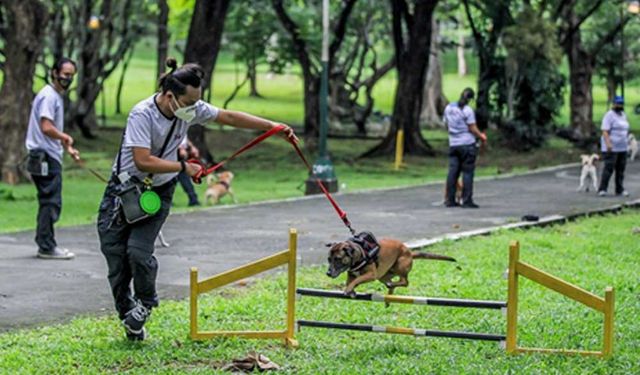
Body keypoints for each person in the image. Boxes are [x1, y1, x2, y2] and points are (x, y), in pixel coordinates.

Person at [96, 58, 296, 341]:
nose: (195, 108)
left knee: (138, 252)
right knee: (115, 257)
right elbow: (141, 160)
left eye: (197, 102)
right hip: (124, 191)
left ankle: (145, 303)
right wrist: (182, 167)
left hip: (158, 192)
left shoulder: (190, 107)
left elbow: (228, 117)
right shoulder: (142, 114)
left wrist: (272, 126)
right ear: (170, 97)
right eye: (189, 102)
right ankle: (130, 314)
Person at [25, 57, 80, 260]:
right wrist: (65, 137)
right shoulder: (49, 96)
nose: (68, 78)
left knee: (49, 201)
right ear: (55, 72)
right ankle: (46, 246)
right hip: (44, 156)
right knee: (51, 201)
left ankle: (46, 243)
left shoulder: (54, 95)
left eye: (71, 75)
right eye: (65, 74)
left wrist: (67, 147)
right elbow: (46, 127)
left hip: (48, 153)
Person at [443, 87, 487, 208]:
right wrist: (481, 136)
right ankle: (466, 201)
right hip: (467, 145)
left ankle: (450, 200)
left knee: (453, 173)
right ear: (471, 99)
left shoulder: (449, 108)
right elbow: (472, 128)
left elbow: (446, 125)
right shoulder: (467, 110)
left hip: (453, 144)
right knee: (467, 173)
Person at [598, 96, 630, 197]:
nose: (619, 105)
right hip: (612, 146)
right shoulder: (609, 115)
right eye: (617, 103)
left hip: (622, 146)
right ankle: (602, 189)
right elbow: (605, 131)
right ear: (614, 104)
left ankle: (619, 189)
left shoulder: (623, 115)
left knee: (620, 169)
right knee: (609, 168)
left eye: (621, 103)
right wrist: (608, 144)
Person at [177, 138, 201, 206]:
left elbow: (184, 137)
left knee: (185, 178)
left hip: (182, 154)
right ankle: (193, 199)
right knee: (170, 178)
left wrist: (192, 146)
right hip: (174, 154)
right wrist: (181, 148)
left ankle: (193, 199)